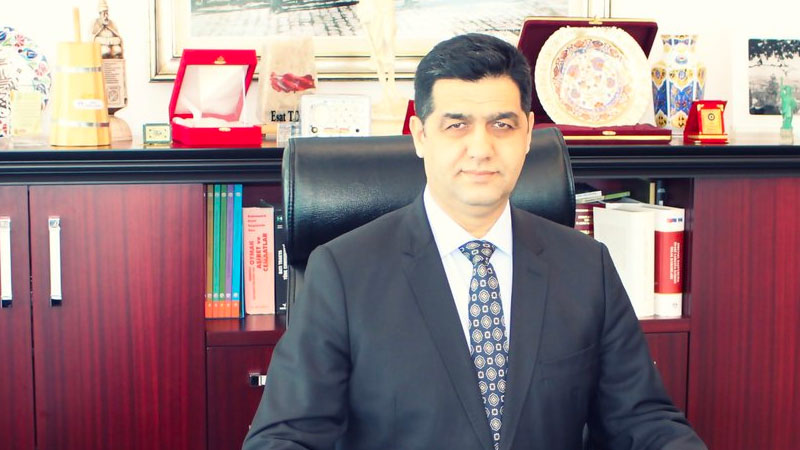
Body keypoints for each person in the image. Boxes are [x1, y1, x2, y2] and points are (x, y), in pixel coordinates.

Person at [243, 33, 707, 450]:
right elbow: (283, 437)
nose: (481, 148)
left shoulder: (586, 266)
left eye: (502, 125)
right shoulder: (344, 272)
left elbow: (643, 422)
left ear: (528, 134)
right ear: (420, 136)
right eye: (457, 125)